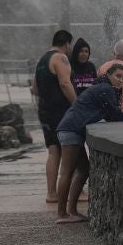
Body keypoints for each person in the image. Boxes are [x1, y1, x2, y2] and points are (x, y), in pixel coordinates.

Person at [55, 64, 123, 224]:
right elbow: (115, 117)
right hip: (71, 130)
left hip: (71, 129)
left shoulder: (102, 88)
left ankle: (71, 211)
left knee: (84, 170)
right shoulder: (106, 89)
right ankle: (61, 214)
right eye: (118, 76)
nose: (121, 81)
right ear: (109, 75)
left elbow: (110, 114)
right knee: (66, 172)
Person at [31, 30, 77, 203]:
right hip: (61, 111)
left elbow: (34, 88)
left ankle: (51, 193)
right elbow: (65, 83)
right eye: (70, 45)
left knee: (53, 151)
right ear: (66, 43)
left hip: (44, 109)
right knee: (69, 151)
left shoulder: (42, 59)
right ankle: (74, 192)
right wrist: (77, 105)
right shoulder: (60, 58)